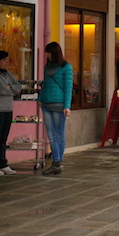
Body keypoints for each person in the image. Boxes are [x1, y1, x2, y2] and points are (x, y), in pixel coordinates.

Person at [40, 42, 73, 175]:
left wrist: (67, 106)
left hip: (59, 105)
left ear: (54, 53)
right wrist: (40, 98)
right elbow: (45, 84)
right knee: (51, 135)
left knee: (58, 134)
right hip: (46, 104)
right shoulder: (47, 66)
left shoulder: (66, 67)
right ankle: (56, 163)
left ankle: (57, 162)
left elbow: (68, 88)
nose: (46, 55)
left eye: (48, 52)